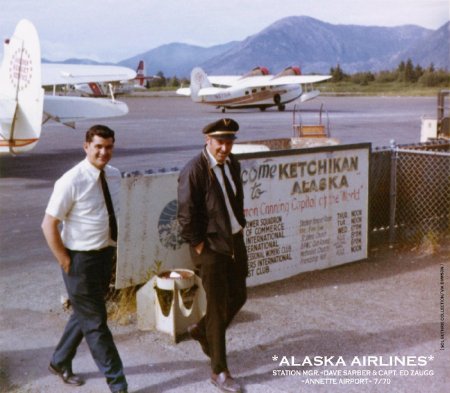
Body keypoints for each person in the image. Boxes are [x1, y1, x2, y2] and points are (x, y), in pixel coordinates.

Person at [41, 125, 128, 393]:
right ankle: (118, 383)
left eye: (109, 146)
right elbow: (48, 225)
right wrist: (65, 261)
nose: (104, 152)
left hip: (104, 256)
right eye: (98, 146)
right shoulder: (71, 180)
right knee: (96, 323)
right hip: (79, 260)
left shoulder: (113, 175)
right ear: (86, 146)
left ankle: (59, 361)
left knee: (84, 313)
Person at [177, 118, 248, 393]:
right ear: (207, 139)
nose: (225, 147)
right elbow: (185, 215)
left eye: (230, 141)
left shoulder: (233, 164)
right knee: (217, 307)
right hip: (210, 248)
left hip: (234, 241)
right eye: (220, 142)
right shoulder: (194, 170)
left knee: (239, 295)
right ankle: (219, 370)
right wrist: (198, 246)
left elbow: (234, 199)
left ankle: (201, 330)